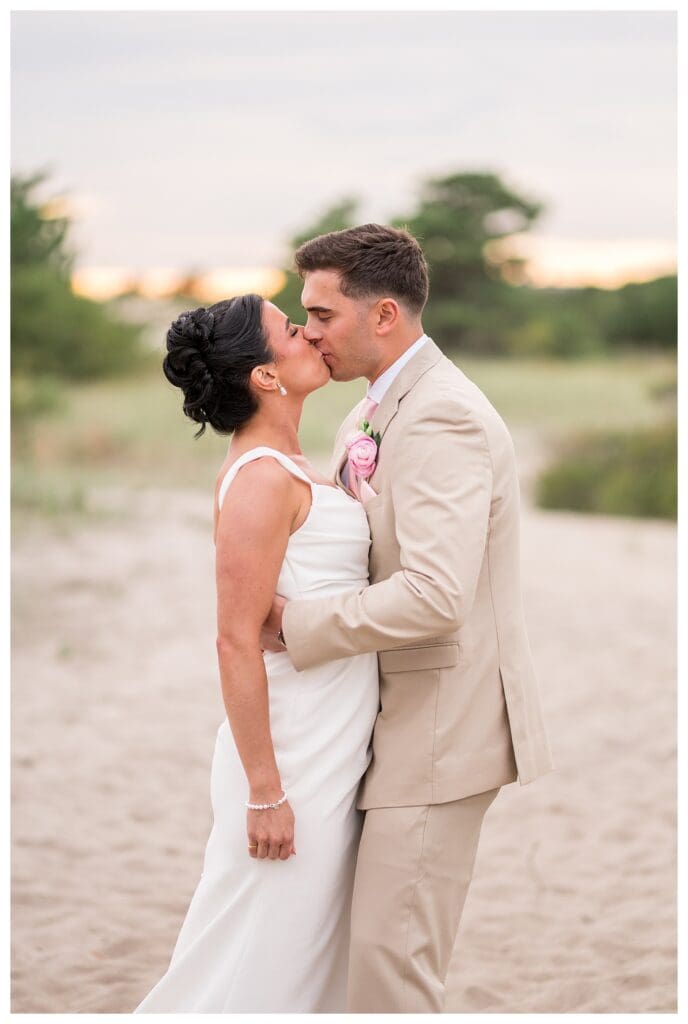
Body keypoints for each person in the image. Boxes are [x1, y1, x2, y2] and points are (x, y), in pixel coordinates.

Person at [262, 223, 554, 1013]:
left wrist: (298, 626)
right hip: (386, 723)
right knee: (365, 958)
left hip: (440, 729)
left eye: (322, 315)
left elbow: (434, 593)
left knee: (394, 972)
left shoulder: (442, 416)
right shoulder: (370, 412)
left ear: (383, 314)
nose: (310, 331)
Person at [133, 293, 379, 1012]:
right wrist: (266, 792)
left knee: (301, 951)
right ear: (266, 378)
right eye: (291, 331)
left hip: (334, 739)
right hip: (293, 756)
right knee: (257, 953)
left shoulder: (294, 464)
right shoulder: (263, 479)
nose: (310, 335)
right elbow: (235, 638)